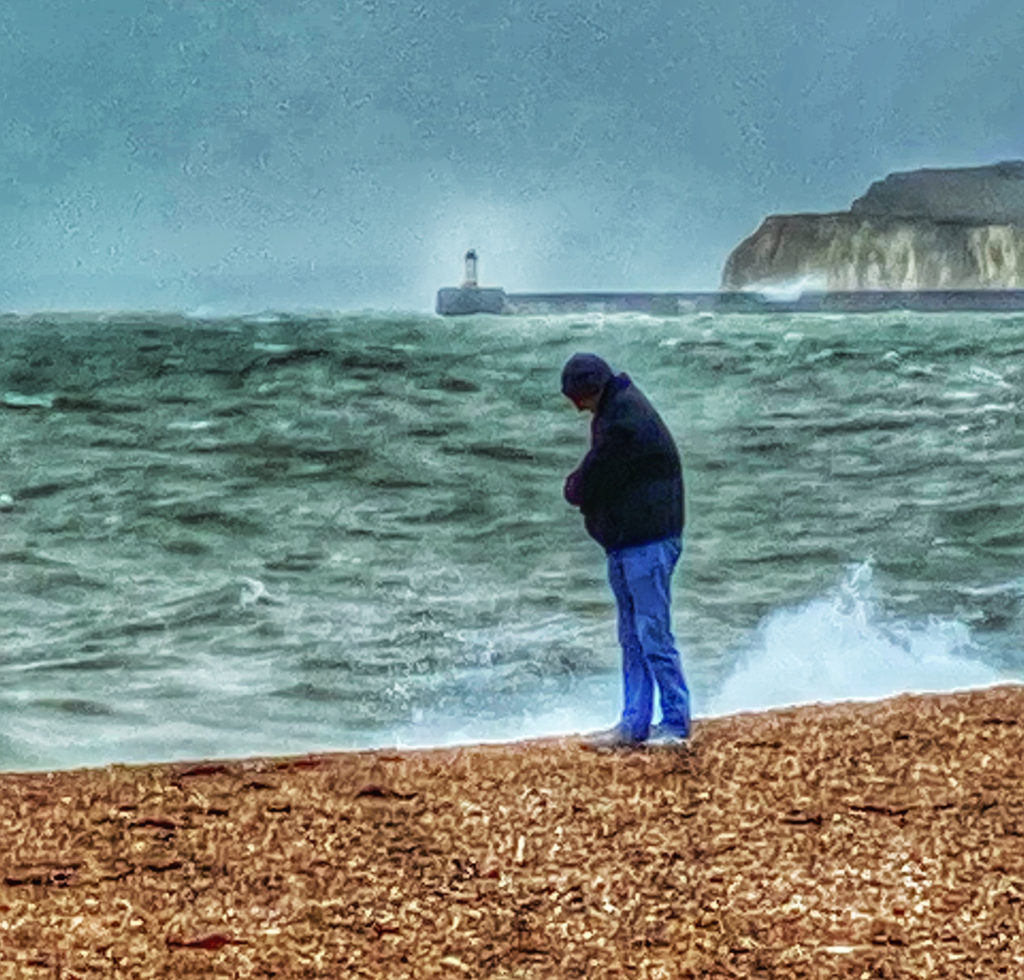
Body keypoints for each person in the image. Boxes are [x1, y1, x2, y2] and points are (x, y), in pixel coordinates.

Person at [561, 352, 690, 748]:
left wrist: (575, 489)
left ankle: (675, 722)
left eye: (576, 396)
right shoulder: (619, 408)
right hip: (631, 541)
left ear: (590, 390)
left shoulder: (622, 421)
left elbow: (593, 476)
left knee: (652, 634)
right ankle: (633, 723)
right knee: (634, 635)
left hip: (647, 543)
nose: (575, 406)